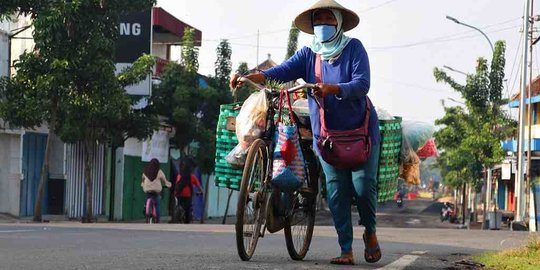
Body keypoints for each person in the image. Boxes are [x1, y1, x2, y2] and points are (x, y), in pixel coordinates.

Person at [230, 0, 381, 265]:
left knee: (363, 188)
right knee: (335, 193)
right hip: (327, 136)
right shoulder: (308, 54)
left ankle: (369, 232)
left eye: (328, 18)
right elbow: (279, 72)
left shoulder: (354, 49)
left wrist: (332, 89)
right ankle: (346, 249)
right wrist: (250, 76)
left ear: (339, 21)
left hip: (361, 134)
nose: (323, 23)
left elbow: (362, 84)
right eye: (317, 19)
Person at [141, 158, 172, 223]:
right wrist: (168, 184)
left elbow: (143, 179)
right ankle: (157, 220)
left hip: (147, 190)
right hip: (156, 191)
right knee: (157, 204)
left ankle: (145, 207)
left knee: (147, 198)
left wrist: (142, 184)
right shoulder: (159, 171)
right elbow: (164, 180)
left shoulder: (145, 171)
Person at [175, 159, 203, 224]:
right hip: (188, 196)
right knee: (188, 209)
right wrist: (201, 192)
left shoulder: (179, 176)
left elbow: (177, 185)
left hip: (178, 195)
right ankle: (187, 222)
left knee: (179, 204)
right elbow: (199, 187)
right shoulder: (192, 177)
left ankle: (178, 214)